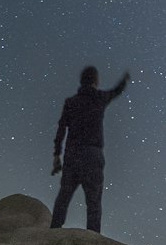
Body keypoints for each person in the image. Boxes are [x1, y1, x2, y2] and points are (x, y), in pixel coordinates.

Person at [50, 65, 131, 232]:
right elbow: (116, 91)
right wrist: (124, 80)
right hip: (93, 155)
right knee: (93, 203)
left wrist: (57, 154)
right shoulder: (100, 98)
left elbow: (61, 128)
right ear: (96, 80)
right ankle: (94, 240)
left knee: (63, 197)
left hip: (72, 155)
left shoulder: (71, 102)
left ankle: (53, 232)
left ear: (81, 81)